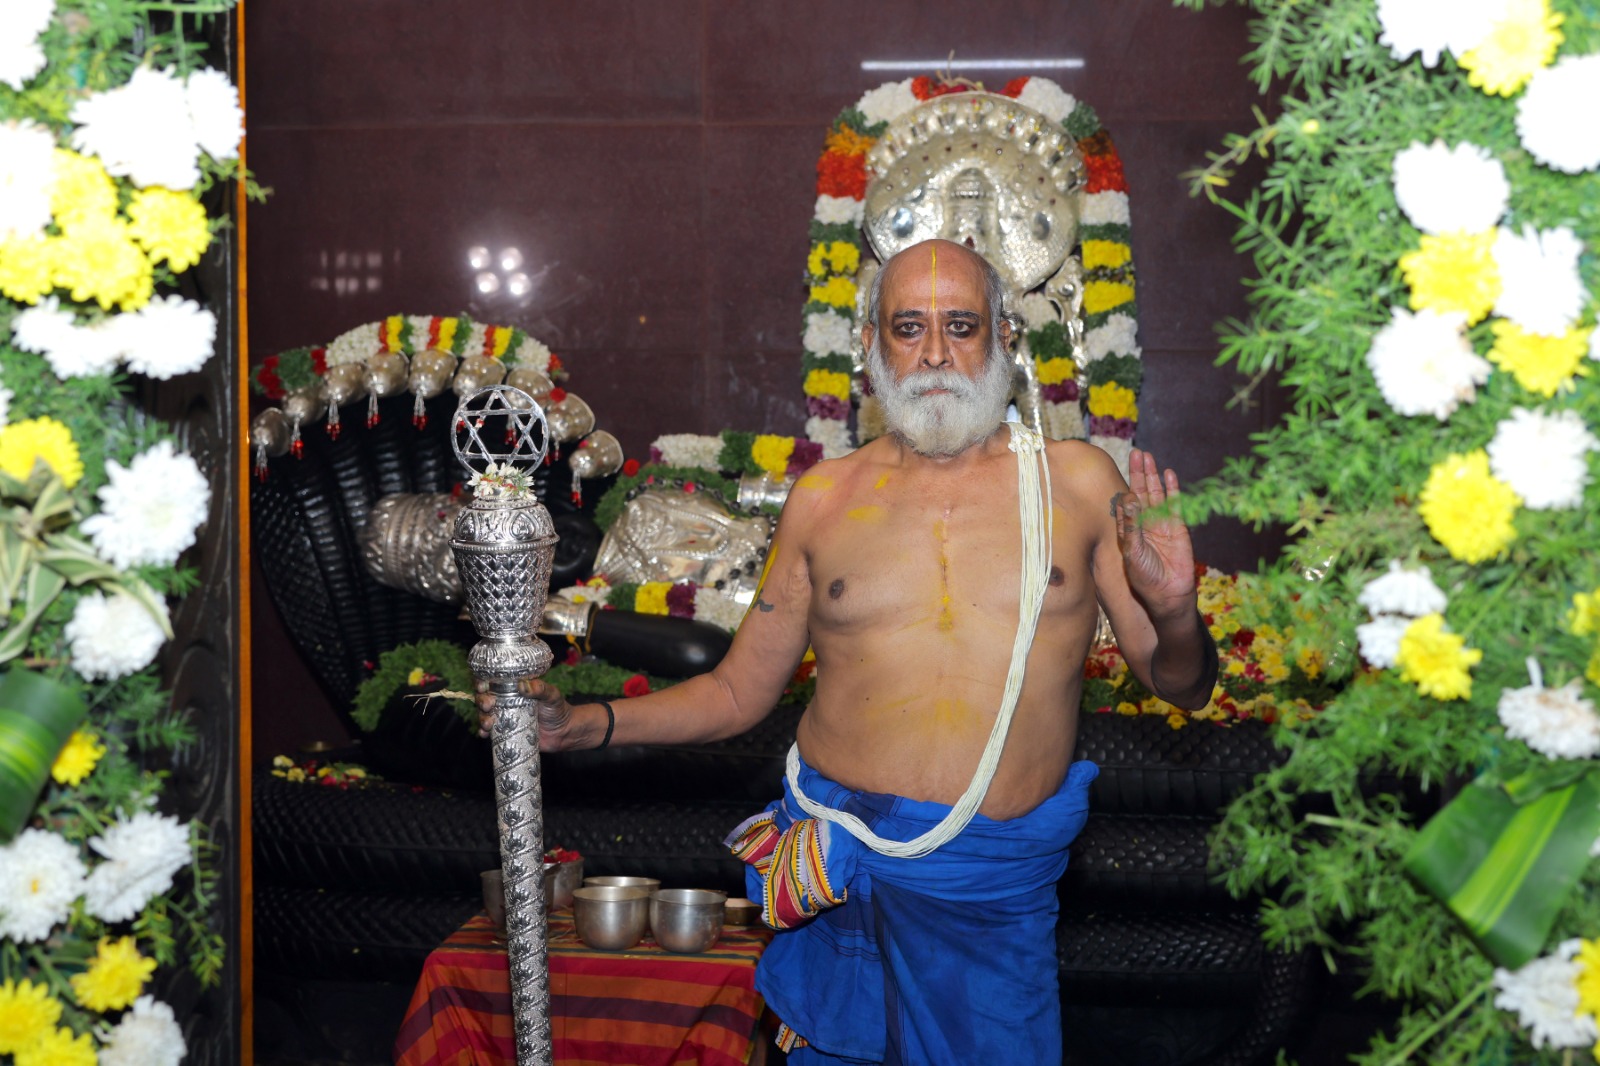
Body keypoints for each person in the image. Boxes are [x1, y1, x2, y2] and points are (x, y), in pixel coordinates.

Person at [479, 238, 1218, 1063]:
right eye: (908, 327)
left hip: (990, 893)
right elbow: (736, 694)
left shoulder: (1077, 485)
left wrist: (1177, 612)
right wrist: (584, 725)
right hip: (839, 879)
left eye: (960, 325)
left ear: (1005, 338)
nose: (935, 352)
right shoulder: (825, 501)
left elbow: (1180, 686)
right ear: (872, 346)